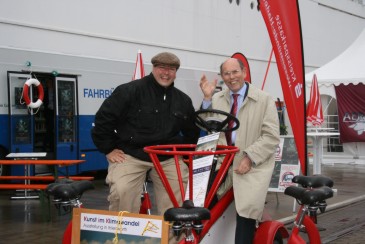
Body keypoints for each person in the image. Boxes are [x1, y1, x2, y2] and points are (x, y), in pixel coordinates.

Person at [91, 52, 200, 216]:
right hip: (132, 154)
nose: (166, 73)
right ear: (154, 68)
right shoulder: (129, 91)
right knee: (122, 192)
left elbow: (192, 131)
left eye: (171, 69)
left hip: (167, 157)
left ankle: (172, 240)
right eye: (162, 67)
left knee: (178, 200)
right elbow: (103, 120)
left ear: (176, 72)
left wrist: (185, 157)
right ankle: (123, 239)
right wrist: (108, 148)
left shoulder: (182, 100)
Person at [199, 57, 280, 243]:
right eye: (226, 73)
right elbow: (208, 128)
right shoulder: (217, 98)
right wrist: (206, 99)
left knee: (246, 213)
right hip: (223, 163)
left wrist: (249, 157)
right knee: (203, 204)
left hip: (252, 165)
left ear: (244, 72)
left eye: (235, 72)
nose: (231, 77)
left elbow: (271, 136)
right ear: (222, 77)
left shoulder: (264, 99)